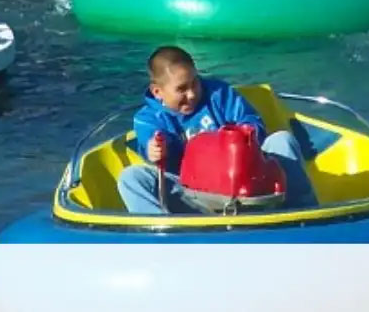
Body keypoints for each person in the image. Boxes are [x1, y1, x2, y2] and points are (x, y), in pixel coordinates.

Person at [116, 46, 315, 214]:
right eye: (181, 89)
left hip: (249, 183)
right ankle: (167, 238)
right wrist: (156, 151)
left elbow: (252, 121)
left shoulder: (219, 93)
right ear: (157, 92)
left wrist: (242, 133)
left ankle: (304, 215)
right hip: (193, 193)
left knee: (282, 140)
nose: (192, 94)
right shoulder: (147, 119)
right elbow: (156, 150)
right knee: (130, 178)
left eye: (195, 82)